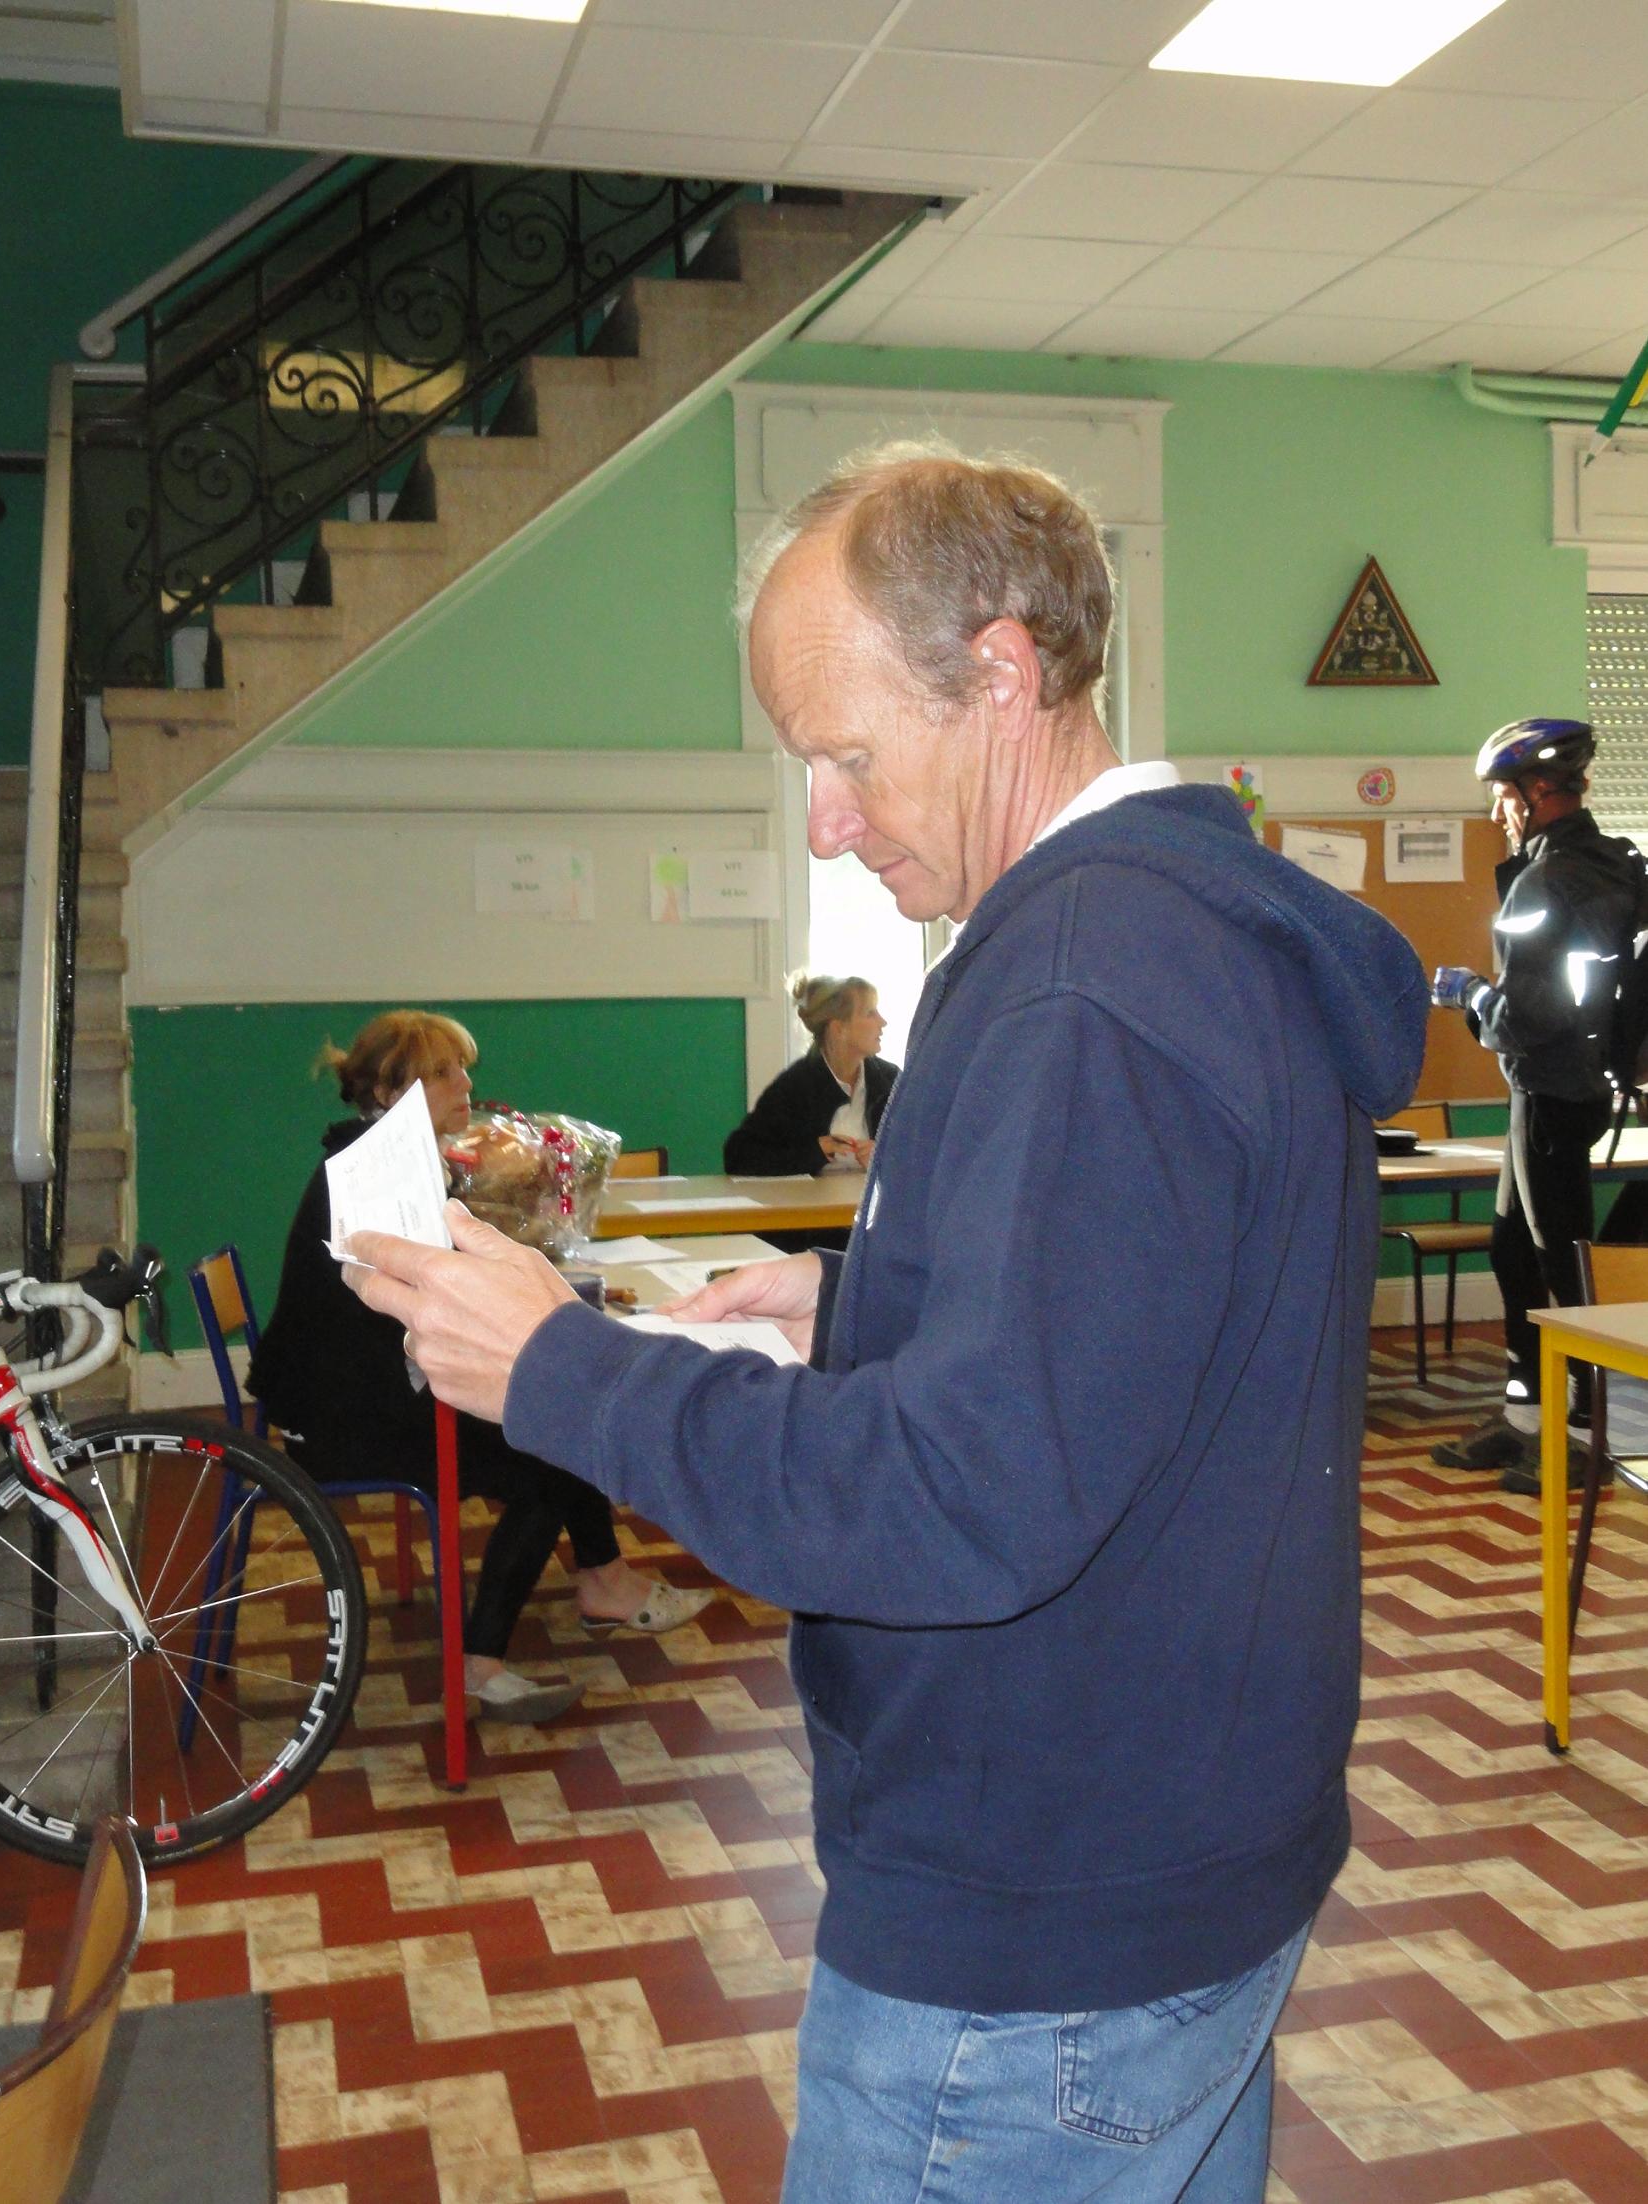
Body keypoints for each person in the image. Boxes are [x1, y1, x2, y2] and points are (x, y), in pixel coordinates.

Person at [343, 451, 1427, 2203]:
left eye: (845, 756)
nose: (826, 824)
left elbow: (958, 1499)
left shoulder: (1081, 980)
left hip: (1036, 1931)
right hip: (1179, 1852)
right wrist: (863, 1300)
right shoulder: (1175, 936)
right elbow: (1152, 1328)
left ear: (1000, 673)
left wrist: (560, 1366)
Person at [248, 1010, 713, 1724]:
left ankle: (605, 1580)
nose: (464, 1084)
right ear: (389, 1090)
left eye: (461, 1068)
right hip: (345, 1420)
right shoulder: (376, 1176)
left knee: (559, 1414)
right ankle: (485, 1662)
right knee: (551, 1452)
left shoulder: (381, 1156)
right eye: (442, 1073)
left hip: (367, 1390)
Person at [1429, 721, 1647, 1494]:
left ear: (1538, 793)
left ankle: (1587, 1435)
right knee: (1512, 1252)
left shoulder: (1546, 882)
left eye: (1502, 796)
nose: (1497, 812)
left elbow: (1524, 1016)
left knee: (1563, 1265)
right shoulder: (1614, 864)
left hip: (1551, 1089)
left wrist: (1467, 995)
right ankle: (1524, 1417)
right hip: (1579, 1086)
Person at [724, 974, 897, 1177]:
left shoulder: (891, 1081)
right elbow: (739, 1158)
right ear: (839, 1028)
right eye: (870, 1013)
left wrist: (886, 1158)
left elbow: (922, 1151)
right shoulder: (795, 1086)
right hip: (810, 1199)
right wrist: (816, 1151)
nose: (883, 1022)